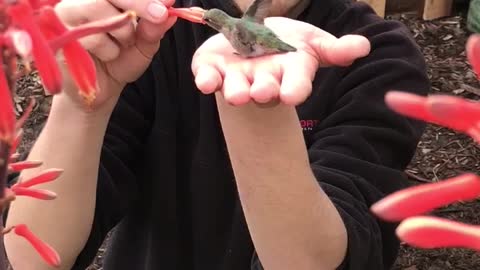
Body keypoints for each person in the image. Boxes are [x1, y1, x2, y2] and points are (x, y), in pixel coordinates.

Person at [4, 0, 430, 269]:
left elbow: (318, 261)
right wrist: (82, 106)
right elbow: (32, 258)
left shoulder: (379, 57)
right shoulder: (144, 36)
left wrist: (255, 103)